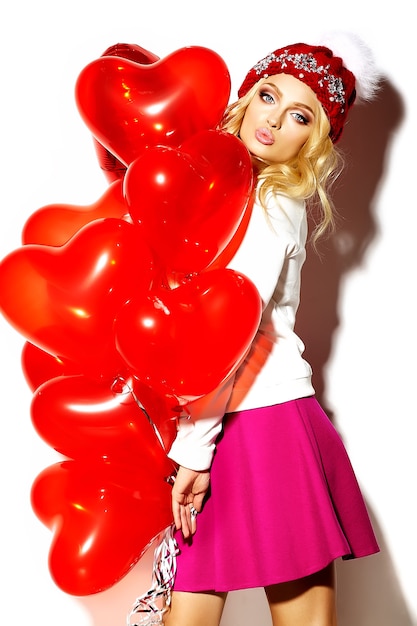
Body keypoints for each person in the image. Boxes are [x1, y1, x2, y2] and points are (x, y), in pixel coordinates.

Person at [157, 33, 381, 626]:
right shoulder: (223, 188)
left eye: (299, 116)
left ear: (313, 140)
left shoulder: (270, 197)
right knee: (194, 609)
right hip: (229, 417)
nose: (274, 120)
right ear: (245, 98)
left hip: (261, 417)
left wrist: (194, 446)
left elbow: (231, 330)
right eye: (268, 96)